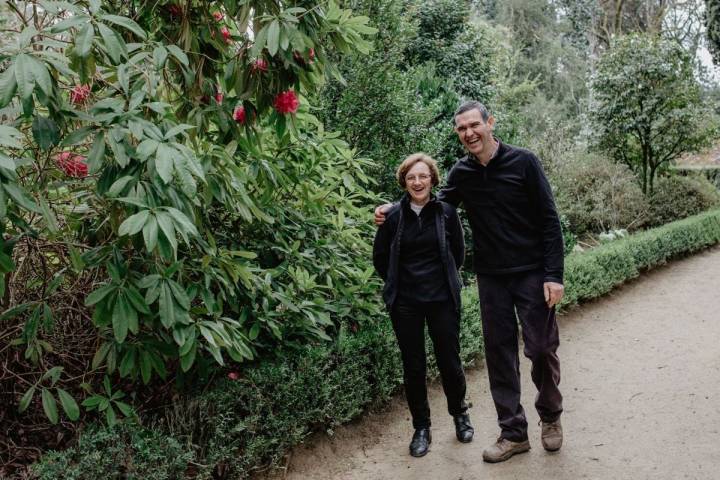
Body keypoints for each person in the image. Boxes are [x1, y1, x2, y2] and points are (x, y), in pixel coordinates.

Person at [375, 101, 565, 463]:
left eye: (474, 125)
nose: (469, 133)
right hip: (492, 277)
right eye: (461, 129)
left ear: (490, 123)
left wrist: (554, 275)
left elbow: (549, 219)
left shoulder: (524, 162)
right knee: (498, 354)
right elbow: (433, 204)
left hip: (531, 273)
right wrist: (391, 209)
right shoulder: (462, 173)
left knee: (541, 348)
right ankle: (513, 433)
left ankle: (551, 416)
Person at [373, 153, 474, 458]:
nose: (417, 182)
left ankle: (460, 415)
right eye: (411, 177)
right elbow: (380, 259)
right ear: (404, 182)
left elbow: (458, 254)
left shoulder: (446, 212)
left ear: (432, 179)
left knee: (449, 361)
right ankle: (421, 428)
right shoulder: (391, 217)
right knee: (413, 366)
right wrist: (399, 287)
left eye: (423, 176)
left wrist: (442, 281)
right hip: (406, 304)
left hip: (442, 299)